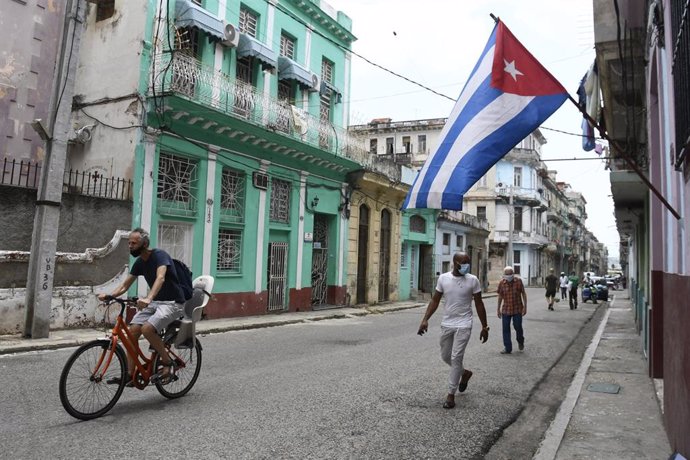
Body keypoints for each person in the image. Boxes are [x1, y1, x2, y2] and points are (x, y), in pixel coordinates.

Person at [99, 228, 188, 385]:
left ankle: (168, 362)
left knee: (147, 329)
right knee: (133, 331)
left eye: (134, 243)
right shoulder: (140, 262)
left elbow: (160, 277)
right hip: (155, 303)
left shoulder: (160, 256)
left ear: (145, 243)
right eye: (129, 243)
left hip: (173, 303)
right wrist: (111, 295)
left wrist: (148, 298)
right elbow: (125, 286)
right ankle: (129, 374)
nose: (130, 246)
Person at [417, 252, 489, 409]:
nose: (466, 266)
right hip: (447, 323)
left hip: (464, 323)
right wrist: (425, 319)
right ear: (455, 263)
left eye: (468, 262)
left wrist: (484, 326)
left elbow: (479, 304)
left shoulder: (473, 280)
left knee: (456, 357)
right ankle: (464, 373)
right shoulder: (443, 278)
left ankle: (451, 395)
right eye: (463, 262)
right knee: (445, 356)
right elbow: (435, 300)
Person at [496, 266, 527, 354]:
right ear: (504, 275)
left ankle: (520, 340)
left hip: (517, 309)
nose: (509, 276)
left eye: (510, 274)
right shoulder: (502, 283)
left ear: (513, 274)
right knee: (505, 329)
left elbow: (523, 294)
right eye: (507, 274)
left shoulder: (518, 281)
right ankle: (507, 348)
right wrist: (498, 309)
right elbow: (500, 296)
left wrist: (525, 306)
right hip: (506, 309)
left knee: (518, 326)